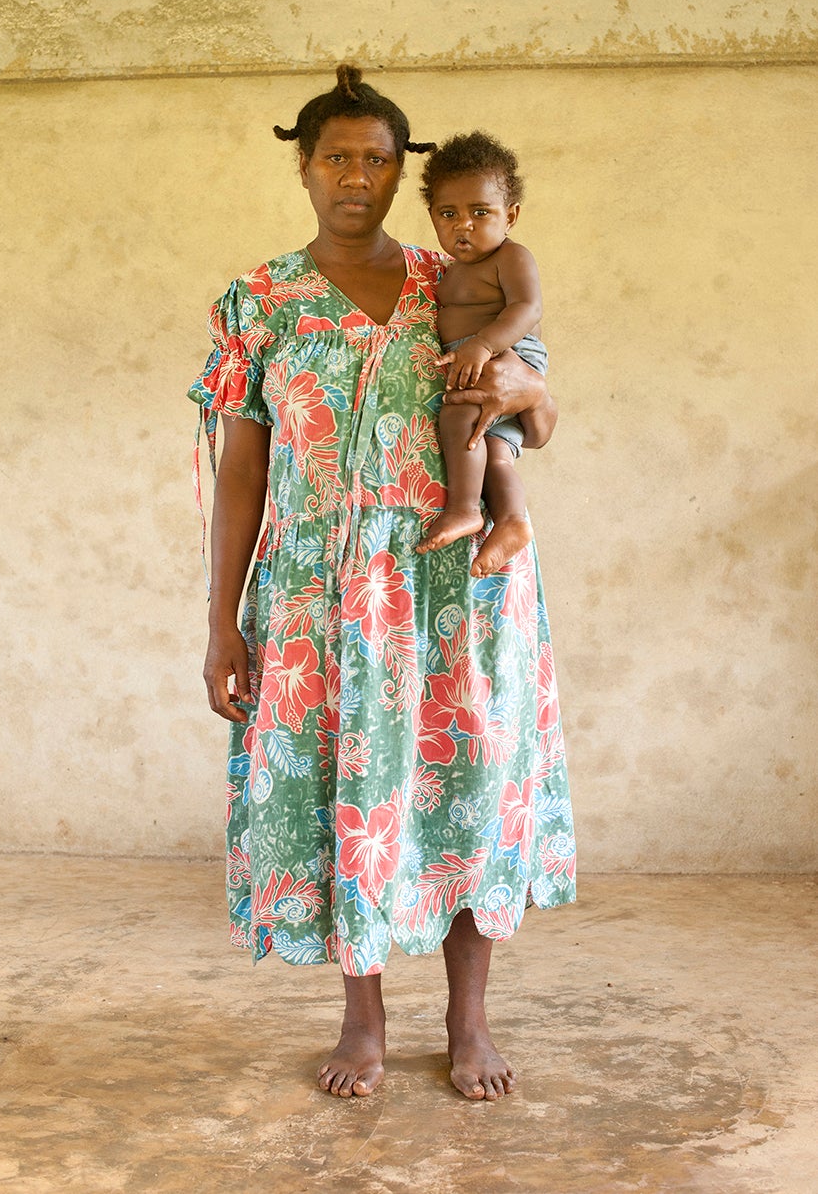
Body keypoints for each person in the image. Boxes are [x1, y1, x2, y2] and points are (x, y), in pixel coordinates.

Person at [188, 65, 575, 1102]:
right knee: (341, 792)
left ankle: (468, 1015)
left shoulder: (454, 271)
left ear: (404, 169)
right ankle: (361, 1018)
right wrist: (222, 620)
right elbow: (241, 473)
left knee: (466, 783)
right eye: (336, 156)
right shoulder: (259, 299)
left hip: (455, 584)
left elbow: (535, 419)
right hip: (320, 598)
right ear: (304, 167)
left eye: (377, 156)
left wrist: (526, 381)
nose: (357, 173)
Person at [415, 131, 548, 577]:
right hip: (475, 357)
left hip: (507, 355)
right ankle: (511, 520)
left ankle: (466, 509)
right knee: (495, 451)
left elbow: (528, 307)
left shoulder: (510, 257)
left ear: (509, 216)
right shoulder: (448, 271)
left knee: (458, 419)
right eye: (448, 213)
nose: (463, 225)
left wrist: (485, 344)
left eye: (480, 212)